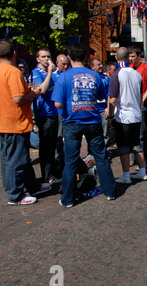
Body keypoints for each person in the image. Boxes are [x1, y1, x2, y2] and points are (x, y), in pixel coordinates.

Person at [52, 42, 116, 208]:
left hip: (72, 122)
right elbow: (102, 96)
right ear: (86, 57)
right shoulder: (95, 76)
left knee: (71, 161)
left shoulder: (63, 77)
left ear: (69, 57)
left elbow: (57, 104)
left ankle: (67, 199)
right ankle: (109, 191)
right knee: (100, 157)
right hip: (93, 119)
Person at [0, 38, 51, 205]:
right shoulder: (13, 72)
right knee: (16, 160)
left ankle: (32, 186)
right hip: (15, 122)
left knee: (16, 158)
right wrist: (35, 93)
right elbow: (18, 98)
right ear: (15, 53)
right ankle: (15, 195)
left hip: (4, 121)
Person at [108, 47, 147, 184]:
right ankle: (142, 171)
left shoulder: (117, 74)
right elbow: (141, 96)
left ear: (116, 58)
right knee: (136, 144)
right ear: (128, 57)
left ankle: (126, 176)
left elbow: (113, 99)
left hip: (123, 116)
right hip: (136, 114)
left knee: (124, 147)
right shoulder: (136, 74)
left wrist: (111, 116)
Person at [31, 47, 60, 184]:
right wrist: (49, 73)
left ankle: (54, 171)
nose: (47, 59)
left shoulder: (54, 72)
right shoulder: (36, 72)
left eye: (48, 56)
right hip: (44, 113)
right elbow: (42, 89)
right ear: (38, 59)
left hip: (54, 112)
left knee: (53, 144)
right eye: (44, 57)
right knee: (46, 146)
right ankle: (47, 175)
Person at [128, 46, 147, 167]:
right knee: (131, 133)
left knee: (141, 134)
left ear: (139, 56)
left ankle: (144, 160)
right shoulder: (127, 68)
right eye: (129, 56)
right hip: (130, 106)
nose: (131, 58)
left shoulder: (145, 68)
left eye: (133, 56)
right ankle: (133, 157)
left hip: (141, 105)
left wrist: (142, 99)